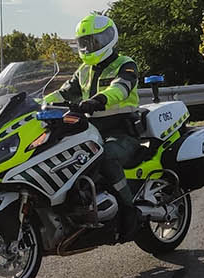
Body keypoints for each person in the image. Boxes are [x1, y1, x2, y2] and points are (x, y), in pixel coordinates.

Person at [46, 12, 141, 237]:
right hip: (91, 132)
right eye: (84, 43)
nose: (89, 47)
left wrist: (98, 100)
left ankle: (129, 209)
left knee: (105, 156)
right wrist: (36, 103)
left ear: (109, 38)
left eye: (94, 41)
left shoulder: (125, 64)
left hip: (122, 132)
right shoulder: (84, 71)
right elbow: (63, 93)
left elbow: (120, 88)